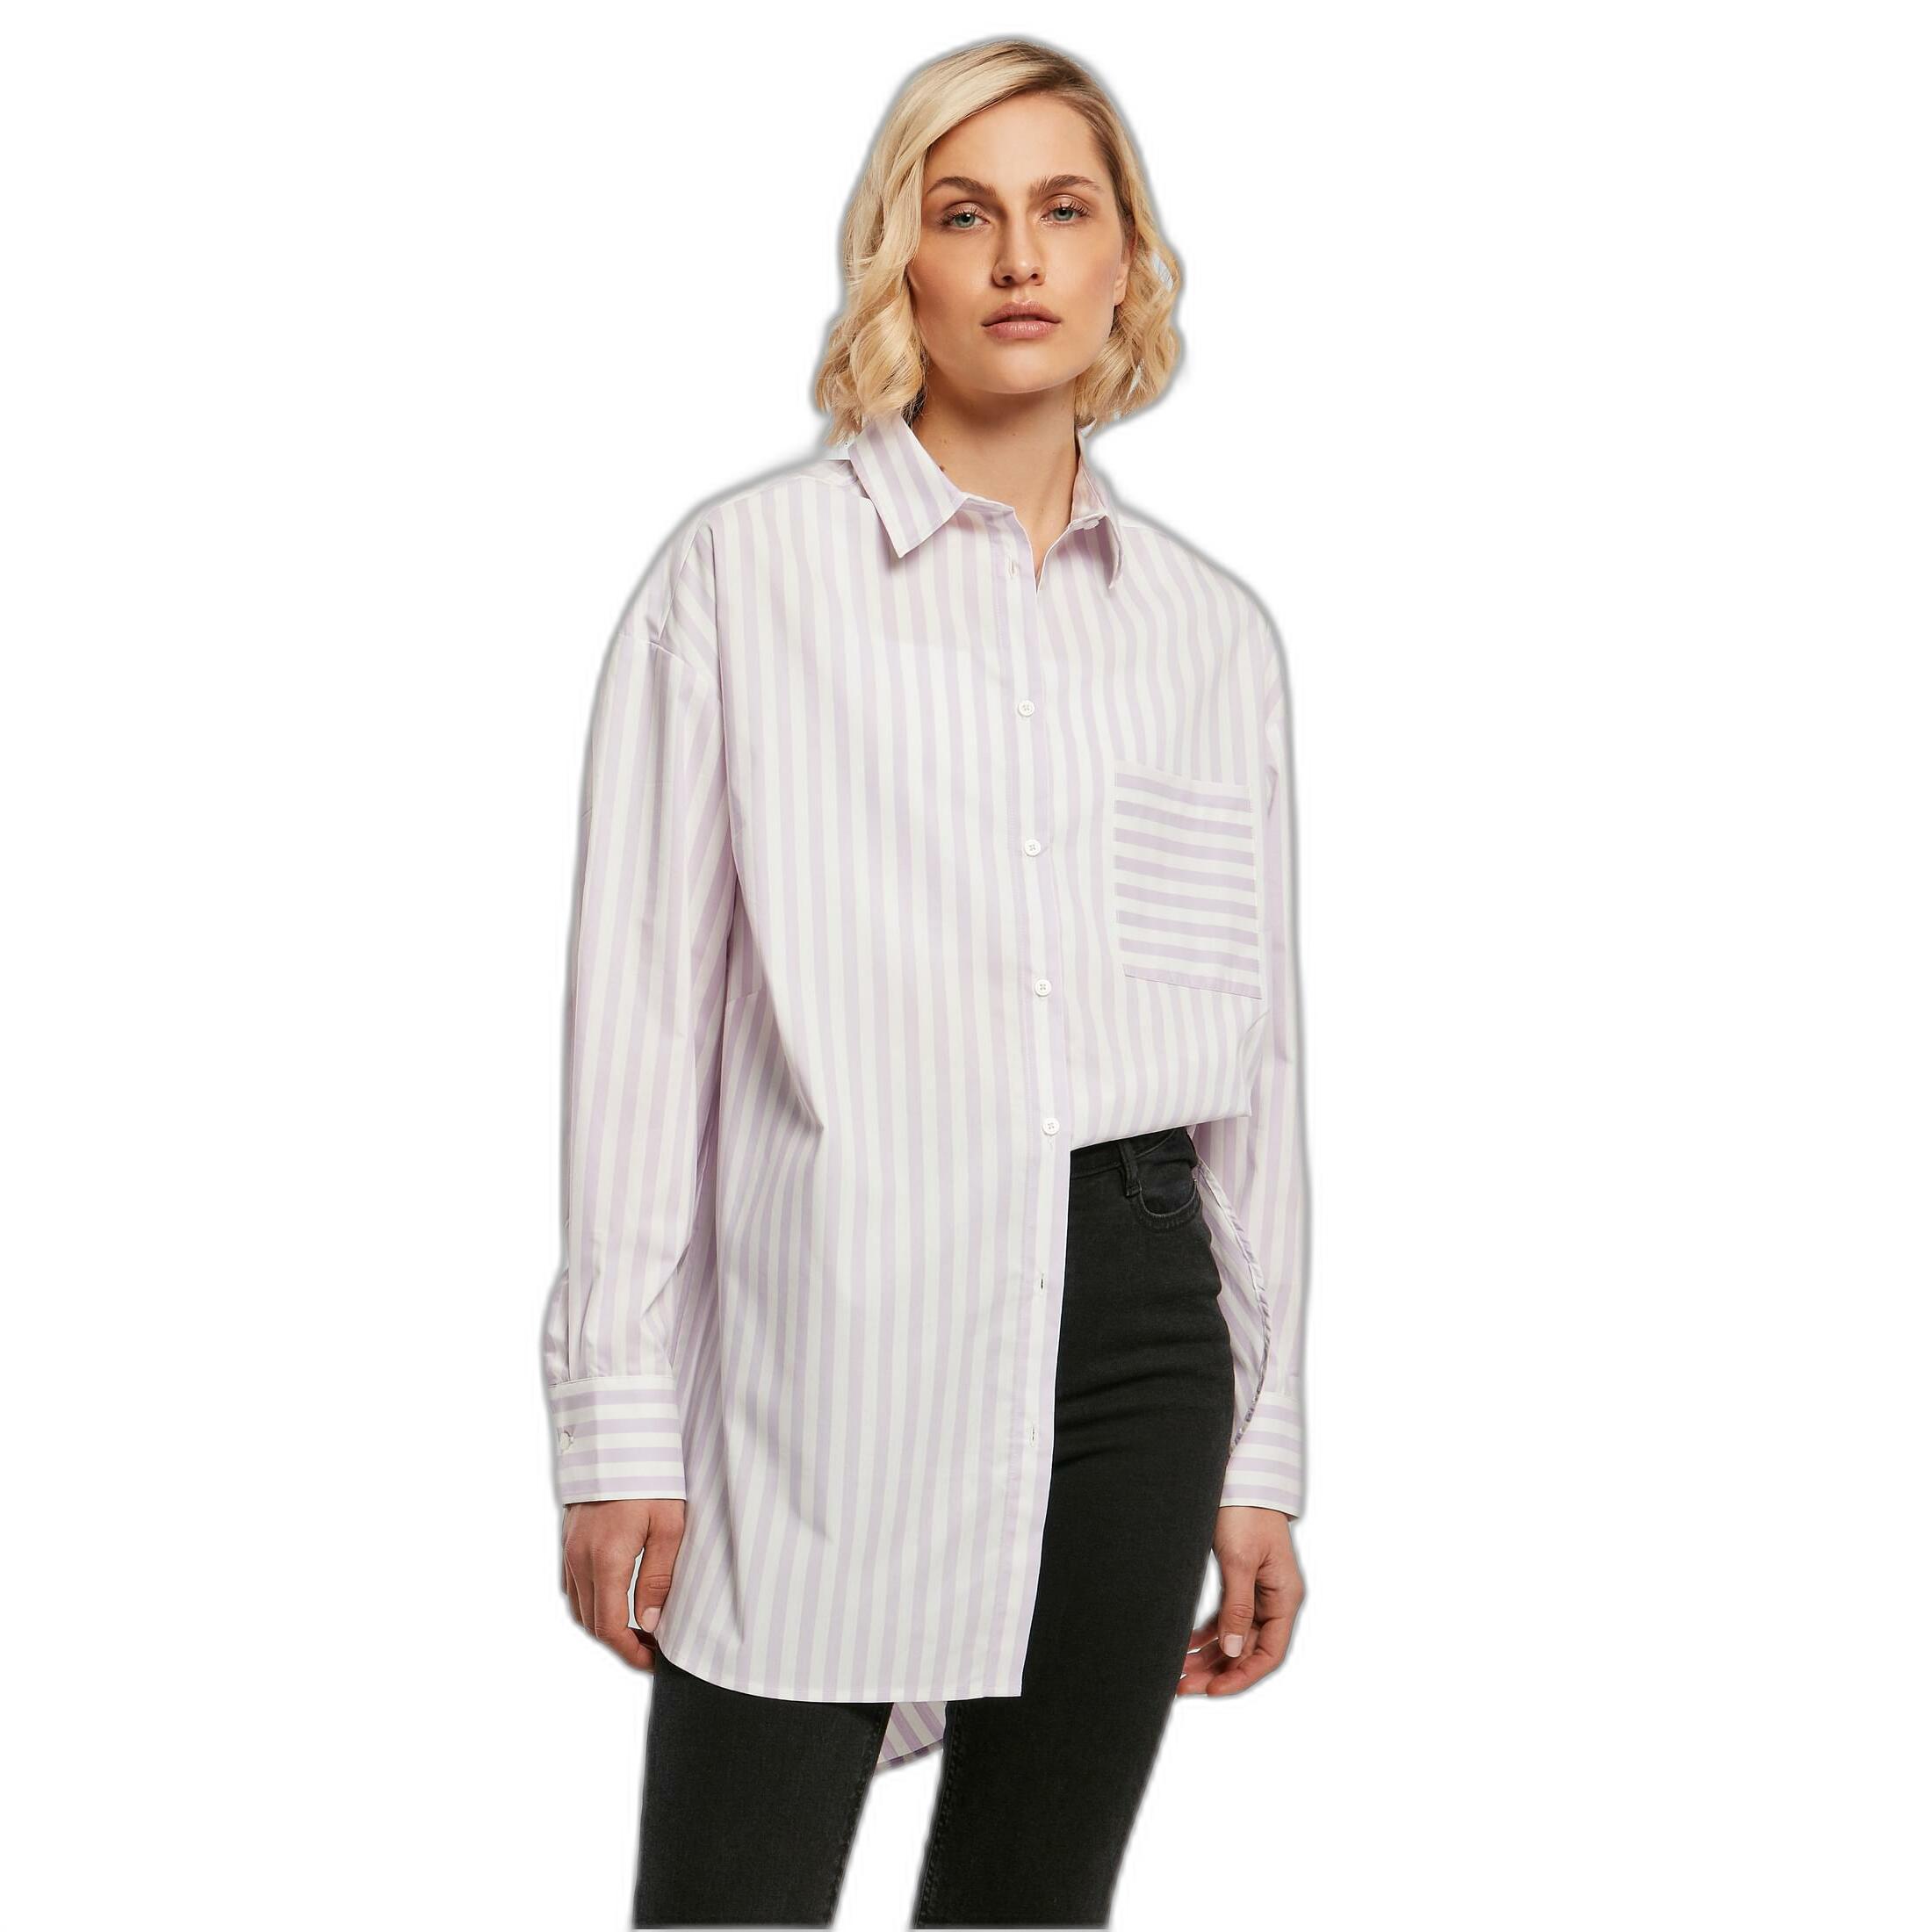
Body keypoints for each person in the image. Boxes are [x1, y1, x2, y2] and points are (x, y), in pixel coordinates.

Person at [544, 37, 1313, 1928]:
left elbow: (1255, 1065)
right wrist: (616, 1410)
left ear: (1127, 257)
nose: (1017, 258)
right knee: (726, 1896)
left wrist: (1264, 1444)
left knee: (1029, 1904)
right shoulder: (743, 580)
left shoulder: (1209, 637)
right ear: (899, 255)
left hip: (1137, 1324)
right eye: (964, 213)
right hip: (841, 1314)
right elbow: (643, 1012)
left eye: (1064, 209)